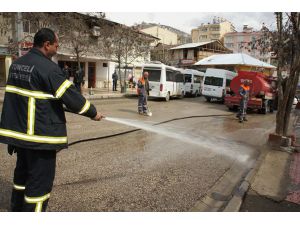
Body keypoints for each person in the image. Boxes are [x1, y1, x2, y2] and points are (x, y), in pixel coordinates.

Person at [0, 28, 104, 212]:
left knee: (21, 179)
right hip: (40, 139)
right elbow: (72, 98)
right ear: (47, 44)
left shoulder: (17, 65)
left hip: (20, 138)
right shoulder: (49, 69)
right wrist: (93, 112)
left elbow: (25, 98)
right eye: (56, 44)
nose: (58, 46)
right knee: (39, 187)